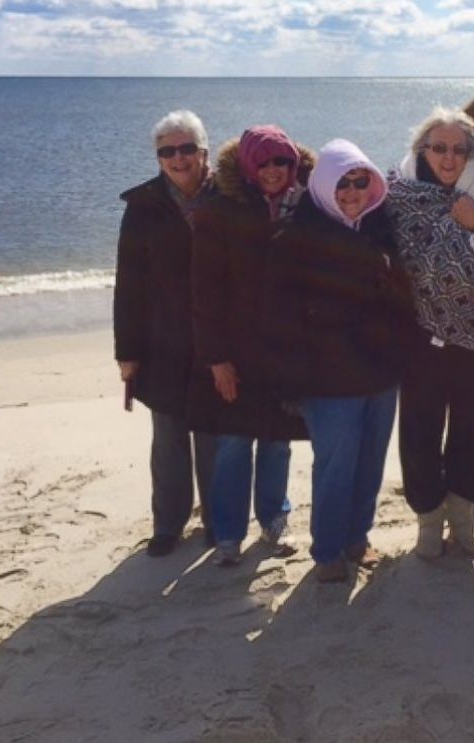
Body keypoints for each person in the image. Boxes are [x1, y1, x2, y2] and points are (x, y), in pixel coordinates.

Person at [263, 138, 415, 583]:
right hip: (327, 380)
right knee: (335, 465)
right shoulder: (295, 239)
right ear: (325, 186)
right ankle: (328, 550)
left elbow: (402, 300)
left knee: (371, 461)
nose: (352, 192)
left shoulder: (382, 229)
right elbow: (278, 317)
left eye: (361, 181)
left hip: (380, 373)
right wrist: (288, 382)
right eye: (343, 183)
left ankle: (357, 539)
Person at [386, 107, 474, 560]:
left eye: (459, 149)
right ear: (422, 149)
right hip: (417, 333)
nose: (448, 157)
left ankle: (463, 517)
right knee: (420, 428)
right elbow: (388, 254)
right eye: (438, 148)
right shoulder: (398, 190)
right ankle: (427, 520)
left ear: (471, 153)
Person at [190, 125, 312, 566]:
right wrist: (216, 358)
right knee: (235, 443)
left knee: (278, 442)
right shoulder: (220, 210)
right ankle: (227, 535)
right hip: (237, 353)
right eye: (263, 161)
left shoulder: (306, 205)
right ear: (247, 165)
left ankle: (274, 523)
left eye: (281, 161)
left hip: (287, 352)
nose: (273, 170)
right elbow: (204, 291)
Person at [113, 109, 217, 557]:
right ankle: (168, 525)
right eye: (167, 151)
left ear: (203, 151)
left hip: (217, 340)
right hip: (163, 344)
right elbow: (129, 284)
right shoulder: (143, 207)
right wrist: (127, 352)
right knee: (170, 438)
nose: (178, 158)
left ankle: (221, 520)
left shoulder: (227, 197)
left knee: (216, 435)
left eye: (186, 148)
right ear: (158, 159)